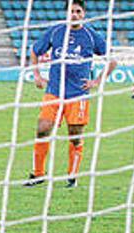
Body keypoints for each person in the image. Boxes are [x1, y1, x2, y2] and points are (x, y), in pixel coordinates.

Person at [23, 0, 116, 189]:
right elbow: (34, 51)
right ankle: (38, 174)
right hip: (54, 91)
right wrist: (37, 75)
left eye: (78, 11)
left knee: (75, 135)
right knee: (42, 129)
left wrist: (96, 81)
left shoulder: (91, 36)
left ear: (84, 14)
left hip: (78, 94)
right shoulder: (56, 31)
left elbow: (112, 60)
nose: (74, 14)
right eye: (71, 11)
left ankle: (72, 175)